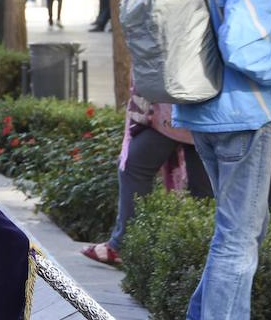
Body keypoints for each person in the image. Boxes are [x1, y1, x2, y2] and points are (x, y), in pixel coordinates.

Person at [172, 0, 271, 320]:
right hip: (243, 113)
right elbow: (243, 46)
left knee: (241, 233)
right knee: (239, 242)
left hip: (201, 109)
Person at [81, 83, 212, 265]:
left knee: (135, 165)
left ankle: (124, 244)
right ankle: (202, 253)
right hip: (203, 104)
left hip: (180, 103)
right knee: (204, 184)